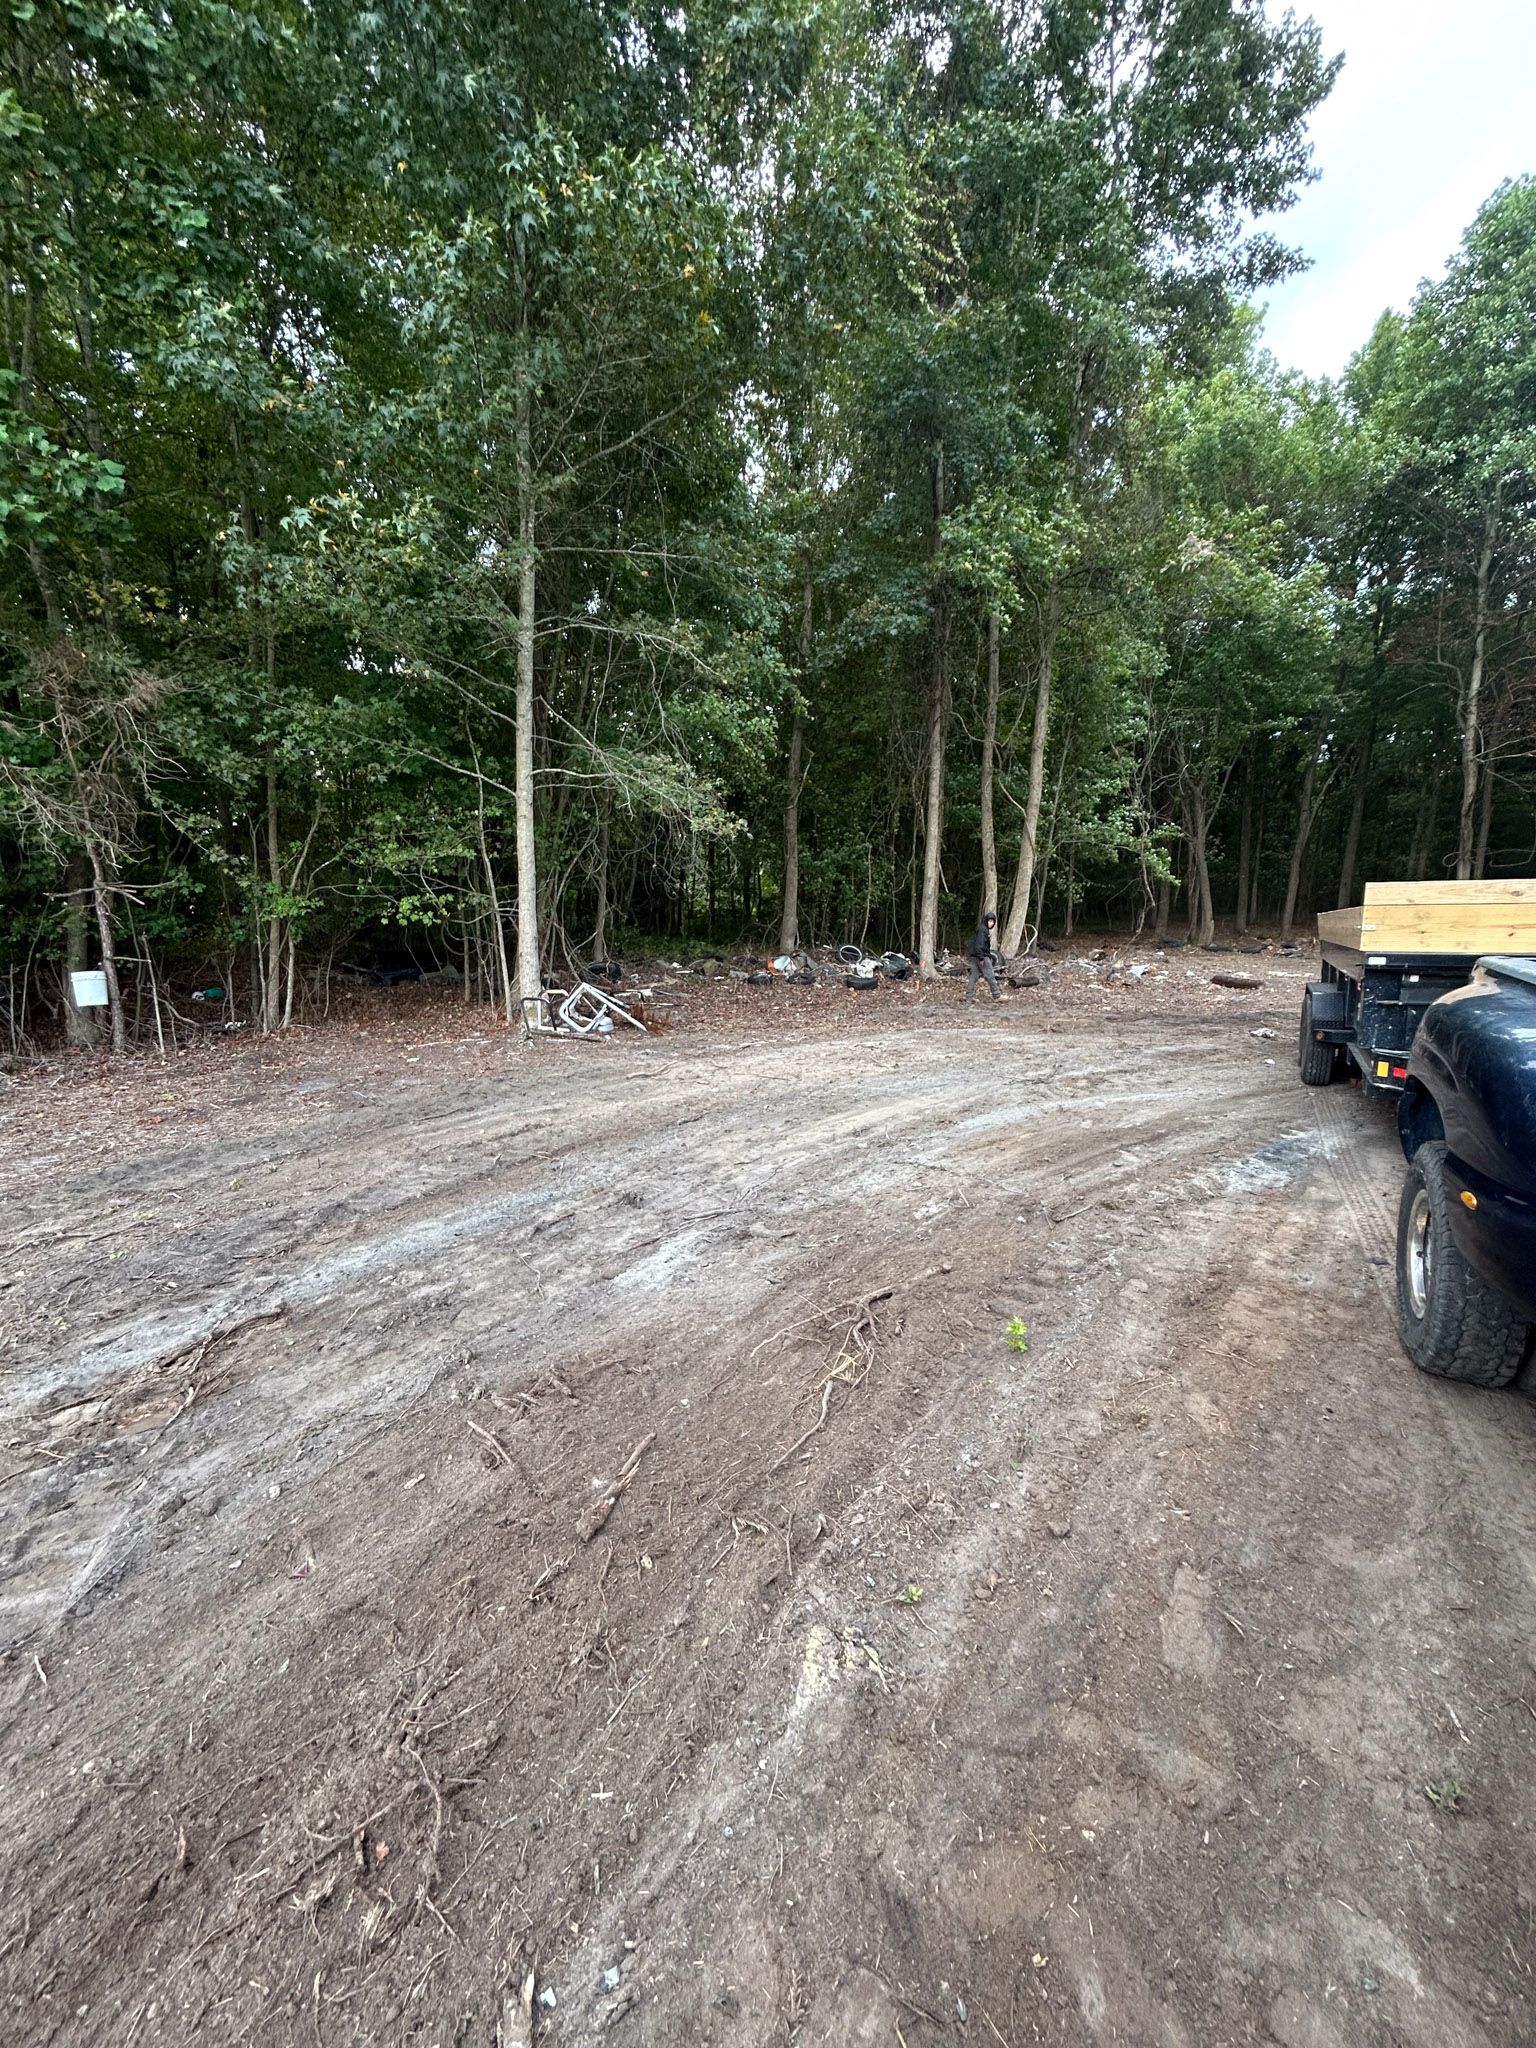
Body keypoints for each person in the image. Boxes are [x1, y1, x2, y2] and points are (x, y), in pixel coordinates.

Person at [966, 910, 1002, 1002]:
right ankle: (997, 995)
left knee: (973, 976)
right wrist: (982, 958)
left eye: (993, 921)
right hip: (981, 956)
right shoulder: (983, 930)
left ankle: (969, 996)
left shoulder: (981, 929)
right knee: (990, 975)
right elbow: (979, 945)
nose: (991, 923)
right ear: (986, 921)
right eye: (990, 921)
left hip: (975, 956)